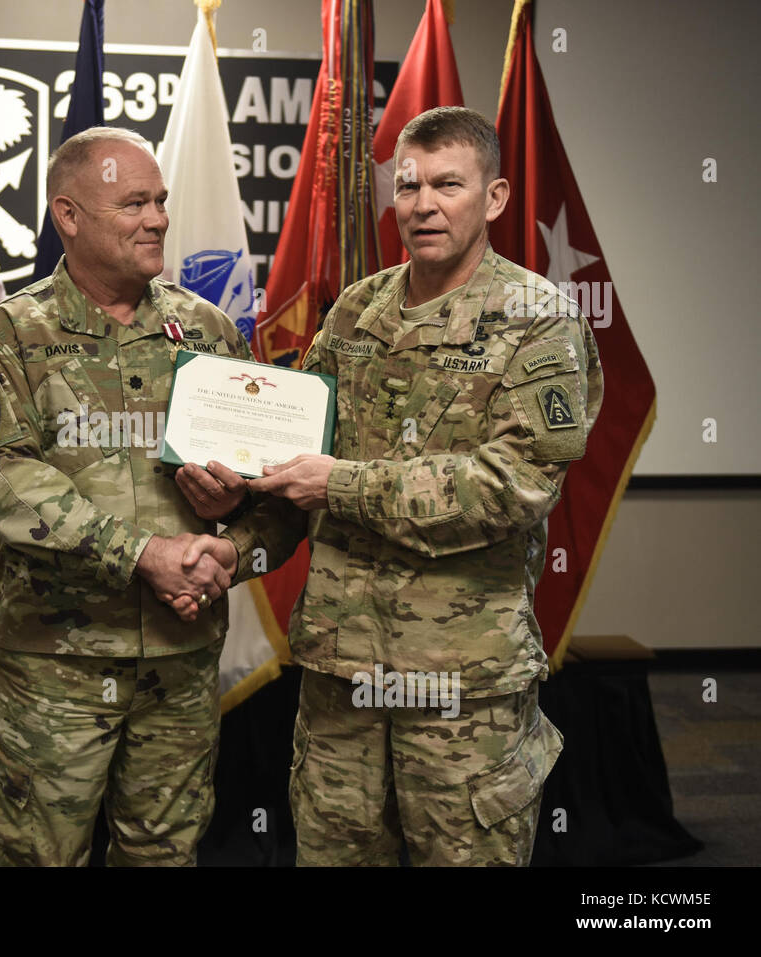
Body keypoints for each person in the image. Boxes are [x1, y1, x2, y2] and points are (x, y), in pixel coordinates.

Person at [173, 106, 603, 865]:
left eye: (447, 185)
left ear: (495, 197)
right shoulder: (357, 310)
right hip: (342, 678)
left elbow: (511, 488)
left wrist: (341, 484)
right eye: (408, 186)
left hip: (460, 686)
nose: (423, 205)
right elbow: (292, 468)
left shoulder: (539, 323)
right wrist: (231, 543)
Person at [0, 126, 259, 866]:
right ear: (69, 215)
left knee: (164, 853)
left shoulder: (210, 333)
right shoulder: (8, 339)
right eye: (132, 204)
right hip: (59, 666)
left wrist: (232, 548)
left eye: (159, 201)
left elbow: (270, 486)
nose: (156, 218)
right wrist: (143, 554)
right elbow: (3, 478)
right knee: (39, 855)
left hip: (181, 663)